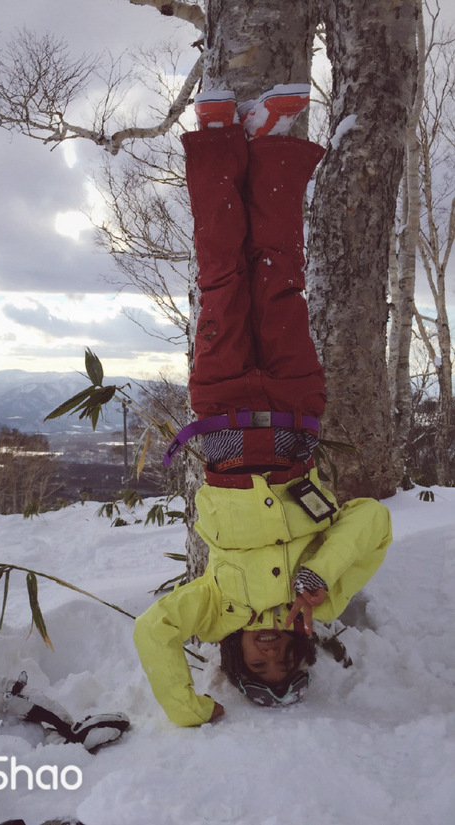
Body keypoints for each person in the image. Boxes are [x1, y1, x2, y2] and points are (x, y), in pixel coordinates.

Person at [133, 84, 392, 726]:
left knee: (223, 281)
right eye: (285, 662)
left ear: (237, 656)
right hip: (296, 413)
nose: (271, 652)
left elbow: (152, 632)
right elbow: (370, 523)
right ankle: (271, 142)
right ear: (304, 648)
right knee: (279, 278)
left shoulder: (213, 608)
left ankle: (220, 139)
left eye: (258, 665)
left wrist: (189, 709)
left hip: (221, 420)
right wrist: (318, 577)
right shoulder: (323, 603)